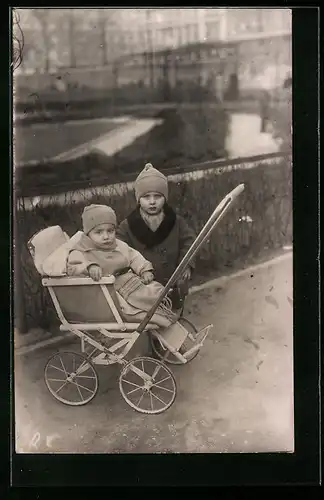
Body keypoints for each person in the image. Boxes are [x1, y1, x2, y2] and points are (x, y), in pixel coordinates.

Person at [66, 204, 178, 328]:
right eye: (99, 232)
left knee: (150, 291)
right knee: (132, 308)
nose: (106, 236)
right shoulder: (82, 250)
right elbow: (73, 267)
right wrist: (89, 267)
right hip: (108, 295)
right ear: (88, 233)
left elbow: (134, 256)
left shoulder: (118, 246)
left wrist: (144, 270)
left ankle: (160, 306)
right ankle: (154, 316)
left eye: (110, 231)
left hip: (129, 283)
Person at [116, 163, 196, 316]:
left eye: (157, 196)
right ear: (139, 199)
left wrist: (185, 265)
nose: (152, 202)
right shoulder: (128, 226)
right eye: (146, 197)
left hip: (173, 283)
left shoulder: (175, 221)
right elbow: (119, 250)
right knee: (150, 325)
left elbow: (189, 241)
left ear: (164, 198)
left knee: (173, 320)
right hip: (144, 288)